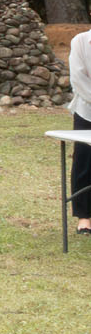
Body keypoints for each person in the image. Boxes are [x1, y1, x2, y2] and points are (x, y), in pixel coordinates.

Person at [70, 28, 91, 236]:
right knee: (84, 162)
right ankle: (84, 216)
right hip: (87, 111)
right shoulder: (81, 41)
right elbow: (77, 78)